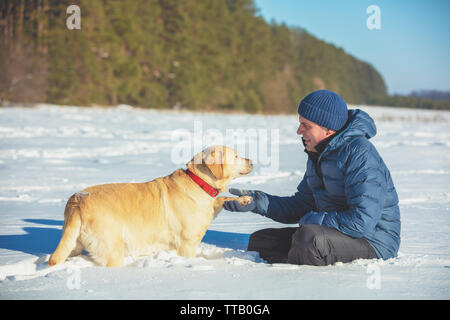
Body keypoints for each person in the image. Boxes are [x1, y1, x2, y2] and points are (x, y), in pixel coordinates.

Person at [223, 89, 401, 266]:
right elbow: (302, 205)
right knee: (261, 241)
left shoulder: (360, 155)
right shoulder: (319, 154)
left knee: (309, 240)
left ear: (328, 129)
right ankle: (296, 260)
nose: (299, 131)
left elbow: (362, 221)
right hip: (335, 234)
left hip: (374, 242)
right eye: (300, 123)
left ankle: (302, 281)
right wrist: (257, 202)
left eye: (306, 125)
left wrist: (315, 220)